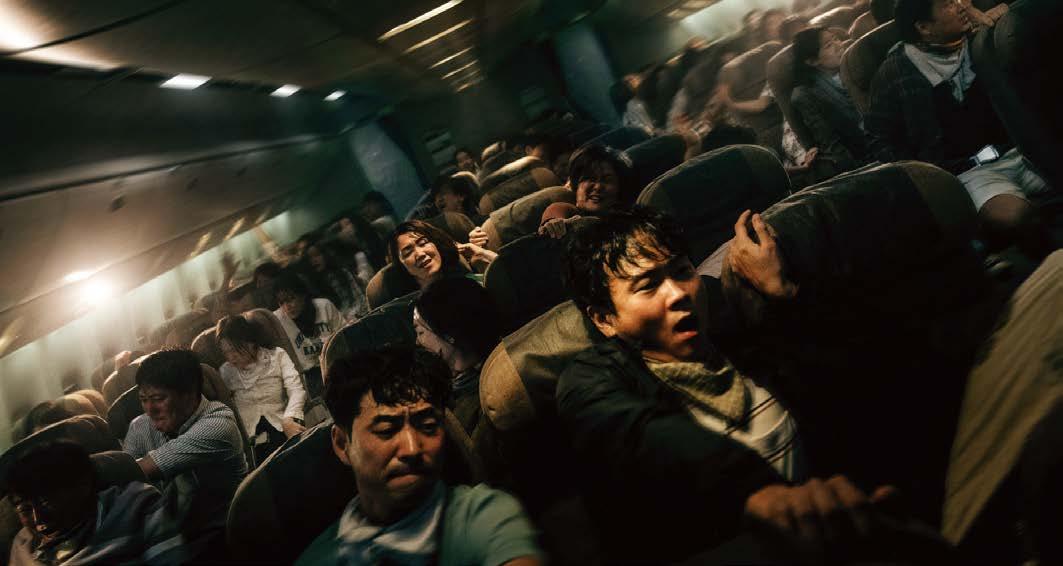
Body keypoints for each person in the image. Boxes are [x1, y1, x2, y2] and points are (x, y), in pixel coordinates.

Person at [556, 207, 897, 563]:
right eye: (648, 285)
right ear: (605, 319)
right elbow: (635, 432)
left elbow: (858, 391)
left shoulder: (747, 341)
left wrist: (782, 295)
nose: (678, 293)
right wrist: (758, 493)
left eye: (682, 272)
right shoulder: (595, 379)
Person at [296, 346, 543, 566]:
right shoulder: (318, 558)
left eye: (427, 426)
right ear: (342, 444)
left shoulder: (483, 518)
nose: (412, 448)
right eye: (387, 430)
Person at [865, 0, 1053, 259]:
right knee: (1017, 218)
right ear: (924, 27)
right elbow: (878, 139)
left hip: (1022, 148)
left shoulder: (983, 39)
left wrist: (1005, 21)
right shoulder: (894, 73)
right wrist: (931, 182)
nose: (961, 5)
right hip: (969, 173)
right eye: (947, 5)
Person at [122, 349, 247, 558]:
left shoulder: (219, 424)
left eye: (158, 398)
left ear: (189, 394)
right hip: (169, 538)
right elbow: (123, 481)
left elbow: (137, 470)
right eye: (143, 399)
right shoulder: (139, 427)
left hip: (224, 535)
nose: (149, 409)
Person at [6, 441, 189, 565]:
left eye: (45, 502)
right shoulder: (23, 545)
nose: (38, 519)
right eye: (25, 509)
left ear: (82, 486)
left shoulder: (137, 506)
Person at [413, 277, 503, 433]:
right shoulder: (504, 360)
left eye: (420, 332)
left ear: (448, 335)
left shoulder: (472, 412)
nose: (417, 342)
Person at [217, 315, 307, 464]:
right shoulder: (226, 372)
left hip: (282, 425)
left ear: (250, 342)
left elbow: (296, 390)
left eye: (234, 350)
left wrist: (289, 418)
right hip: (250, 440)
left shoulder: (277, 356)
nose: (231, 358)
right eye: (225, 352)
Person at [791, 27, 870, 178]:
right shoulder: (805, 94)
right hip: (863, 153)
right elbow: (831, 144)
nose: (839, 45)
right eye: (828, 45)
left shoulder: (856, 61)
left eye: (836, 39)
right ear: (812, 61)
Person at [536, 145, 639, 240]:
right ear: (575, 186)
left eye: (607, 180)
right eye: (589, 178)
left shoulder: (632, 219)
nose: (598, 187)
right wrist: (554, 223)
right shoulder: (568, 211)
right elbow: (559, 209)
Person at [271, 274, 345, 398]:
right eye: (281, 302)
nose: (287, 307)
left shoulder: (323, 306)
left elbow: (343, 334)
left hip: (336, 364)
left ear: (303, 295)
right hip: (310, 376)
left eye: (291, 299)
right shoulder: (278, 319)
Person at [389, 220, 492, 288]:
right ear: (401, 265)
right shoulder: (413, 309)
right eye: (408, 253)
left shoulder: (473, 282)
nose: (420, 254)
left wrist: (485, 255)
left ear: (437, 246)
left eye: (423, 243)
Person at [303, 242, 371, 322]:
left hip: (359, 315)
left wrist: (352, 316)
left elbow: (359, 298)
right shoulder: (314, 286)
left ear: (324, 255)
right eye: (310, 258)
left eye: (317, 255)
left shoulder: (342, 272)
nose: (314, 260)